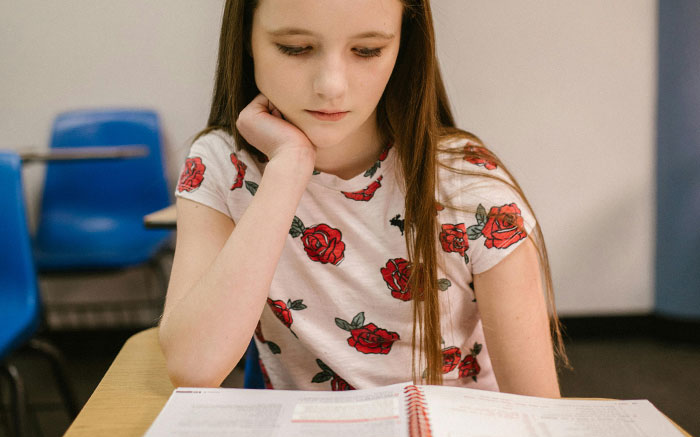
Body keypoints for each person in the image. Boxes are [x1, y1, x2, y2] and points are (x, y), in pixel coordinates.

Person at [159, 0, 568, 396]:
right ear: (246, 38)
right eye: (296, 48)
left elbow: (538, 414)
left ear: (403, 47)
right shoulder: (220, 165)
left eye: (367, 50)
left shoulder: (472, 191)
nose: (331, 86)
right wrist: (288, 167)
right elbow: (194, 366)